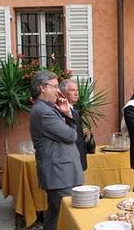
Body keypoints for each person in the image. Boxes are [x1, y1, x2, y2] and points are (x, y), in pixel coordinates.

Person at [30, 71, 84, 230]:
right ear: (42, 88)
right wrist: (68, 114)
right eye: (54, 87)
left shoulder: (48, 109)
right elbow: (71, 135)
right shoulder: (43, 112)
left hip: (62, 174)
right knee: (69, 217)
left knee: (54, 216)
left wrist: (65, 114)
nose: (58, 91)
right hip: (60, 175)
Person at [59, 79, 87, 171]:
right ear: (63, 93)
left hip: (78, 156)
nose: (76, 93)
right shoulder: (62, 111)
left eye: (77, 90)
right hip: (70, 159)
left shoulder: (74, 109)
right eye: (72, 90)